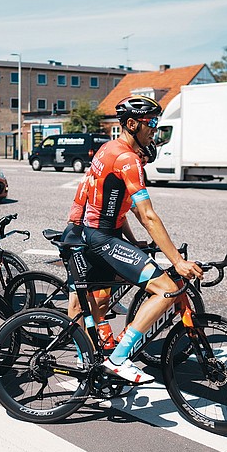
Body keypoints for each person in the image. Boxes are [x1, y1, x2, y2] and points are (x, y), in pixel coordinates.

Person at [66, 95, 203, 384]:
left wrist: (133, 242)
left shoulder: (108, 149)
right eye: (150, 123)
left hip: (97, 233)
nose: (154, 129)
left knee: (94, 305)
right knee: (167, 289)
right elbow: (148, 215)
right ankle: (118, 359)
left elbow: (115, 205)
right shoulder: (128, 159)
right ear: (131, 124)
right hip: (101, 237)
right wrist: (177, 261)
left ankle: (87, 365)